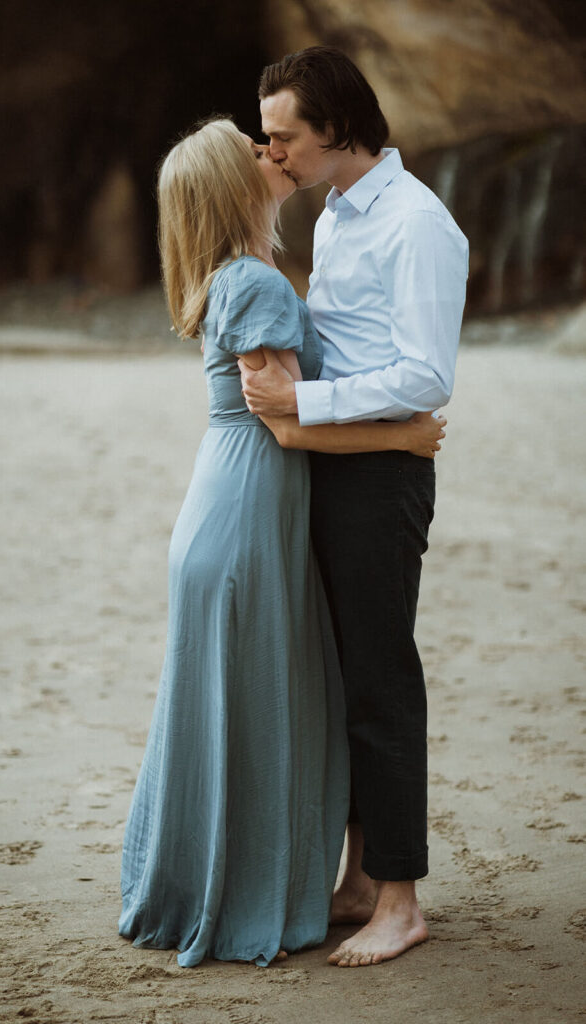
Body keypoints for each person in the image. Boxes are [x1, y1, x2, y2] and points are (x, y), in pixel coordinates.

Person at [119, 117, 447, 968]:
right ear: (234, 183)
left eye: (273, 138)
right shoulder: (257, 285)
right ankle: (253, 893)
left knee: (227, 707)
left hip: (225, 501)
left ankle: (243, 882)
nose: (271, 153)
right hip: (249, 507)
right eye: (253, 148)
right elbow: (288, 425)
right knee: (255, 705)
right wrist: (404, 439)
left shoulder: (231, 276)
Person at [239, 46, 469, 967]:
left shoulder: (417, 224)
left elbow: (424, 374)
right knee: (339, 678)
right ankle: (360, 875)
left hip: (380, 477)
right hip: (333, 463)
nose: (272, 152)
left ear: (335, 127)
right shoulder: (333, 215)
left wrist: (303, 404)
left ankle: (402, 901)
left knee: (379, 679)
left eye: (283, 135)